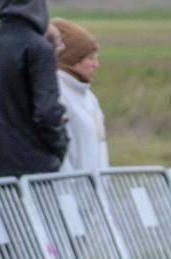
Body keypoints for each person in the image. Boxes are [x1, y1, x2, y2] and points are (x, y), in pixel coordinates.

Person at [0, 0, 68, 179]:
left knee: (4, 207)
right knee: (38, 208)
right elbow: (47, 112)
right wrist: (59, 147)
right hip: (35, 164)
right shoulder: (39, 47)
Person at [52, 18, 109, 173]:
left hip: (94, 192)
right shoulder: (56, 94)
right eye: (90, 58)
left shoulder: (89, 97)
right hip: (71, 191)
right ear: (71, 58)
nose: (96, 65)